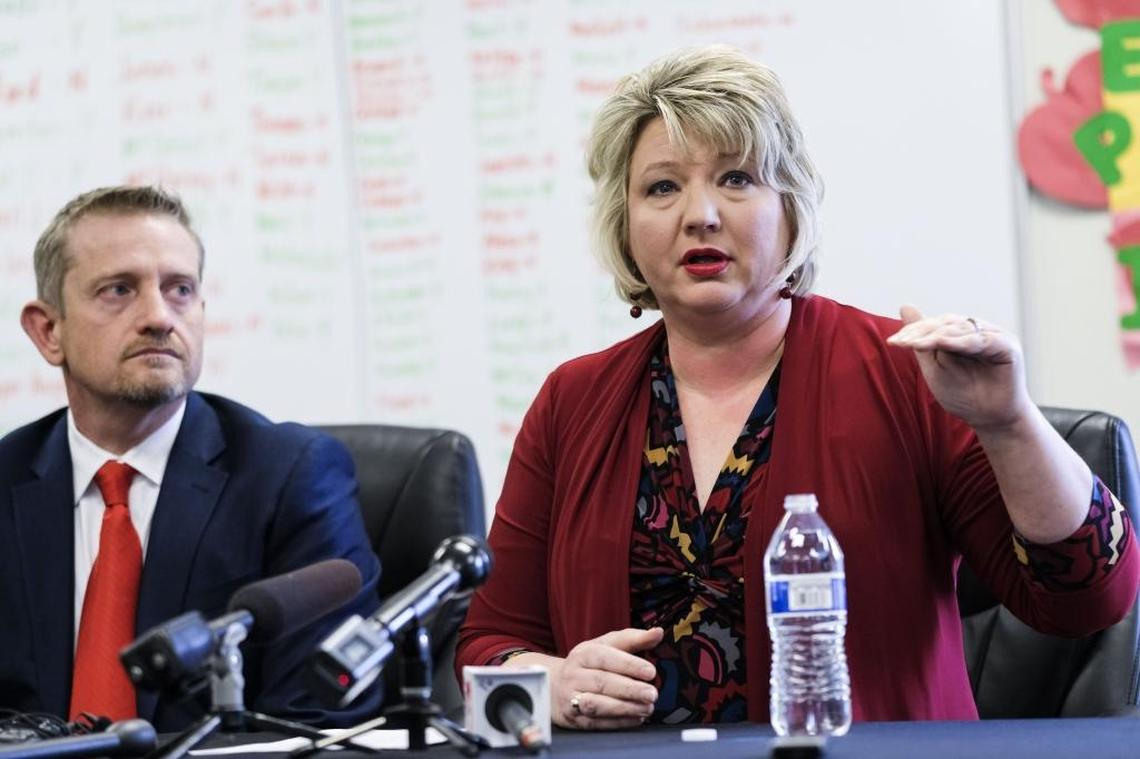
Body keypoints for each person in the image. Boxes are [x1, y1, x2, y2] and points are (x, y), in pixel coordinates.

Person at [456, 45, 1140, 728]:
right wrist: (552, 681)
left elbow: (1087, 601)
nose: (700, 214)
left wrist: (1010, 422)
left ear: (790, 209)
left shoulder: (903, 374)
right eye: (662, 187)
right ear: (625, 223)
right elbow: (485, 652)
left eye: (736, 179)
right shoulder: (571, 402)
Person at [0, 186, 382, 730]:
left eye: (179, 290)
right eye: (118, 290)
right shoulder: (7, 480)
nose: (159, 317)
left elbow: (317, 719)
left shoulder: (292, 478)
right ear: (48, 330)